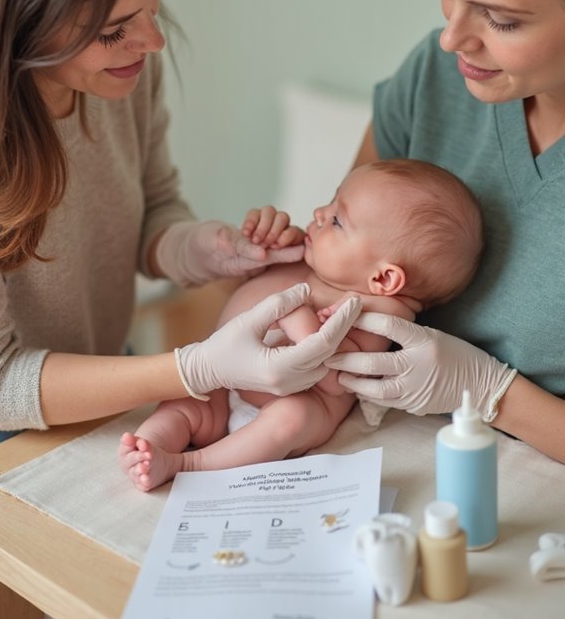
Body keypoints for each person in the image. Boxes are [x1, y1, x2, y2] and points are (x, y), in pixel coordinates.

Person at [0, 0, 362, 447]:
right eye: (113, 29)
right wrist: (196, 368)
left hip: (105, 379)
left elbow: (152, 207)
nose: (153, 41)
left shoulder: (119, 76)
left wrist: (207, 250)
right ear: (15, 24)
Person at [328, 0, 565, 465]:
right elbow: (341, 262)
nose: (451, 40)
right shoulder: (432, 84)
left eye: (500, 18)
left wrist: (492, 393)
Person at [119, 159, 483, 490]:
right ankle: (150, 448)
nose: (319, 213)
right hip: (225, 384)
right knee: (186, 396)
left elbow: (333, 369)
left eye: (338, 221)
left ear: (384, 279)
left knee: (290, 420)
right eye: (331, 201)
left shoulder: (382, 314)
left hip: (288, 406)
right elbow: (244, 284)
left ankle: (190, 464)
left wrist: (296, 316)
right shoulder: (313, 262)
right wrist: (265, 248)